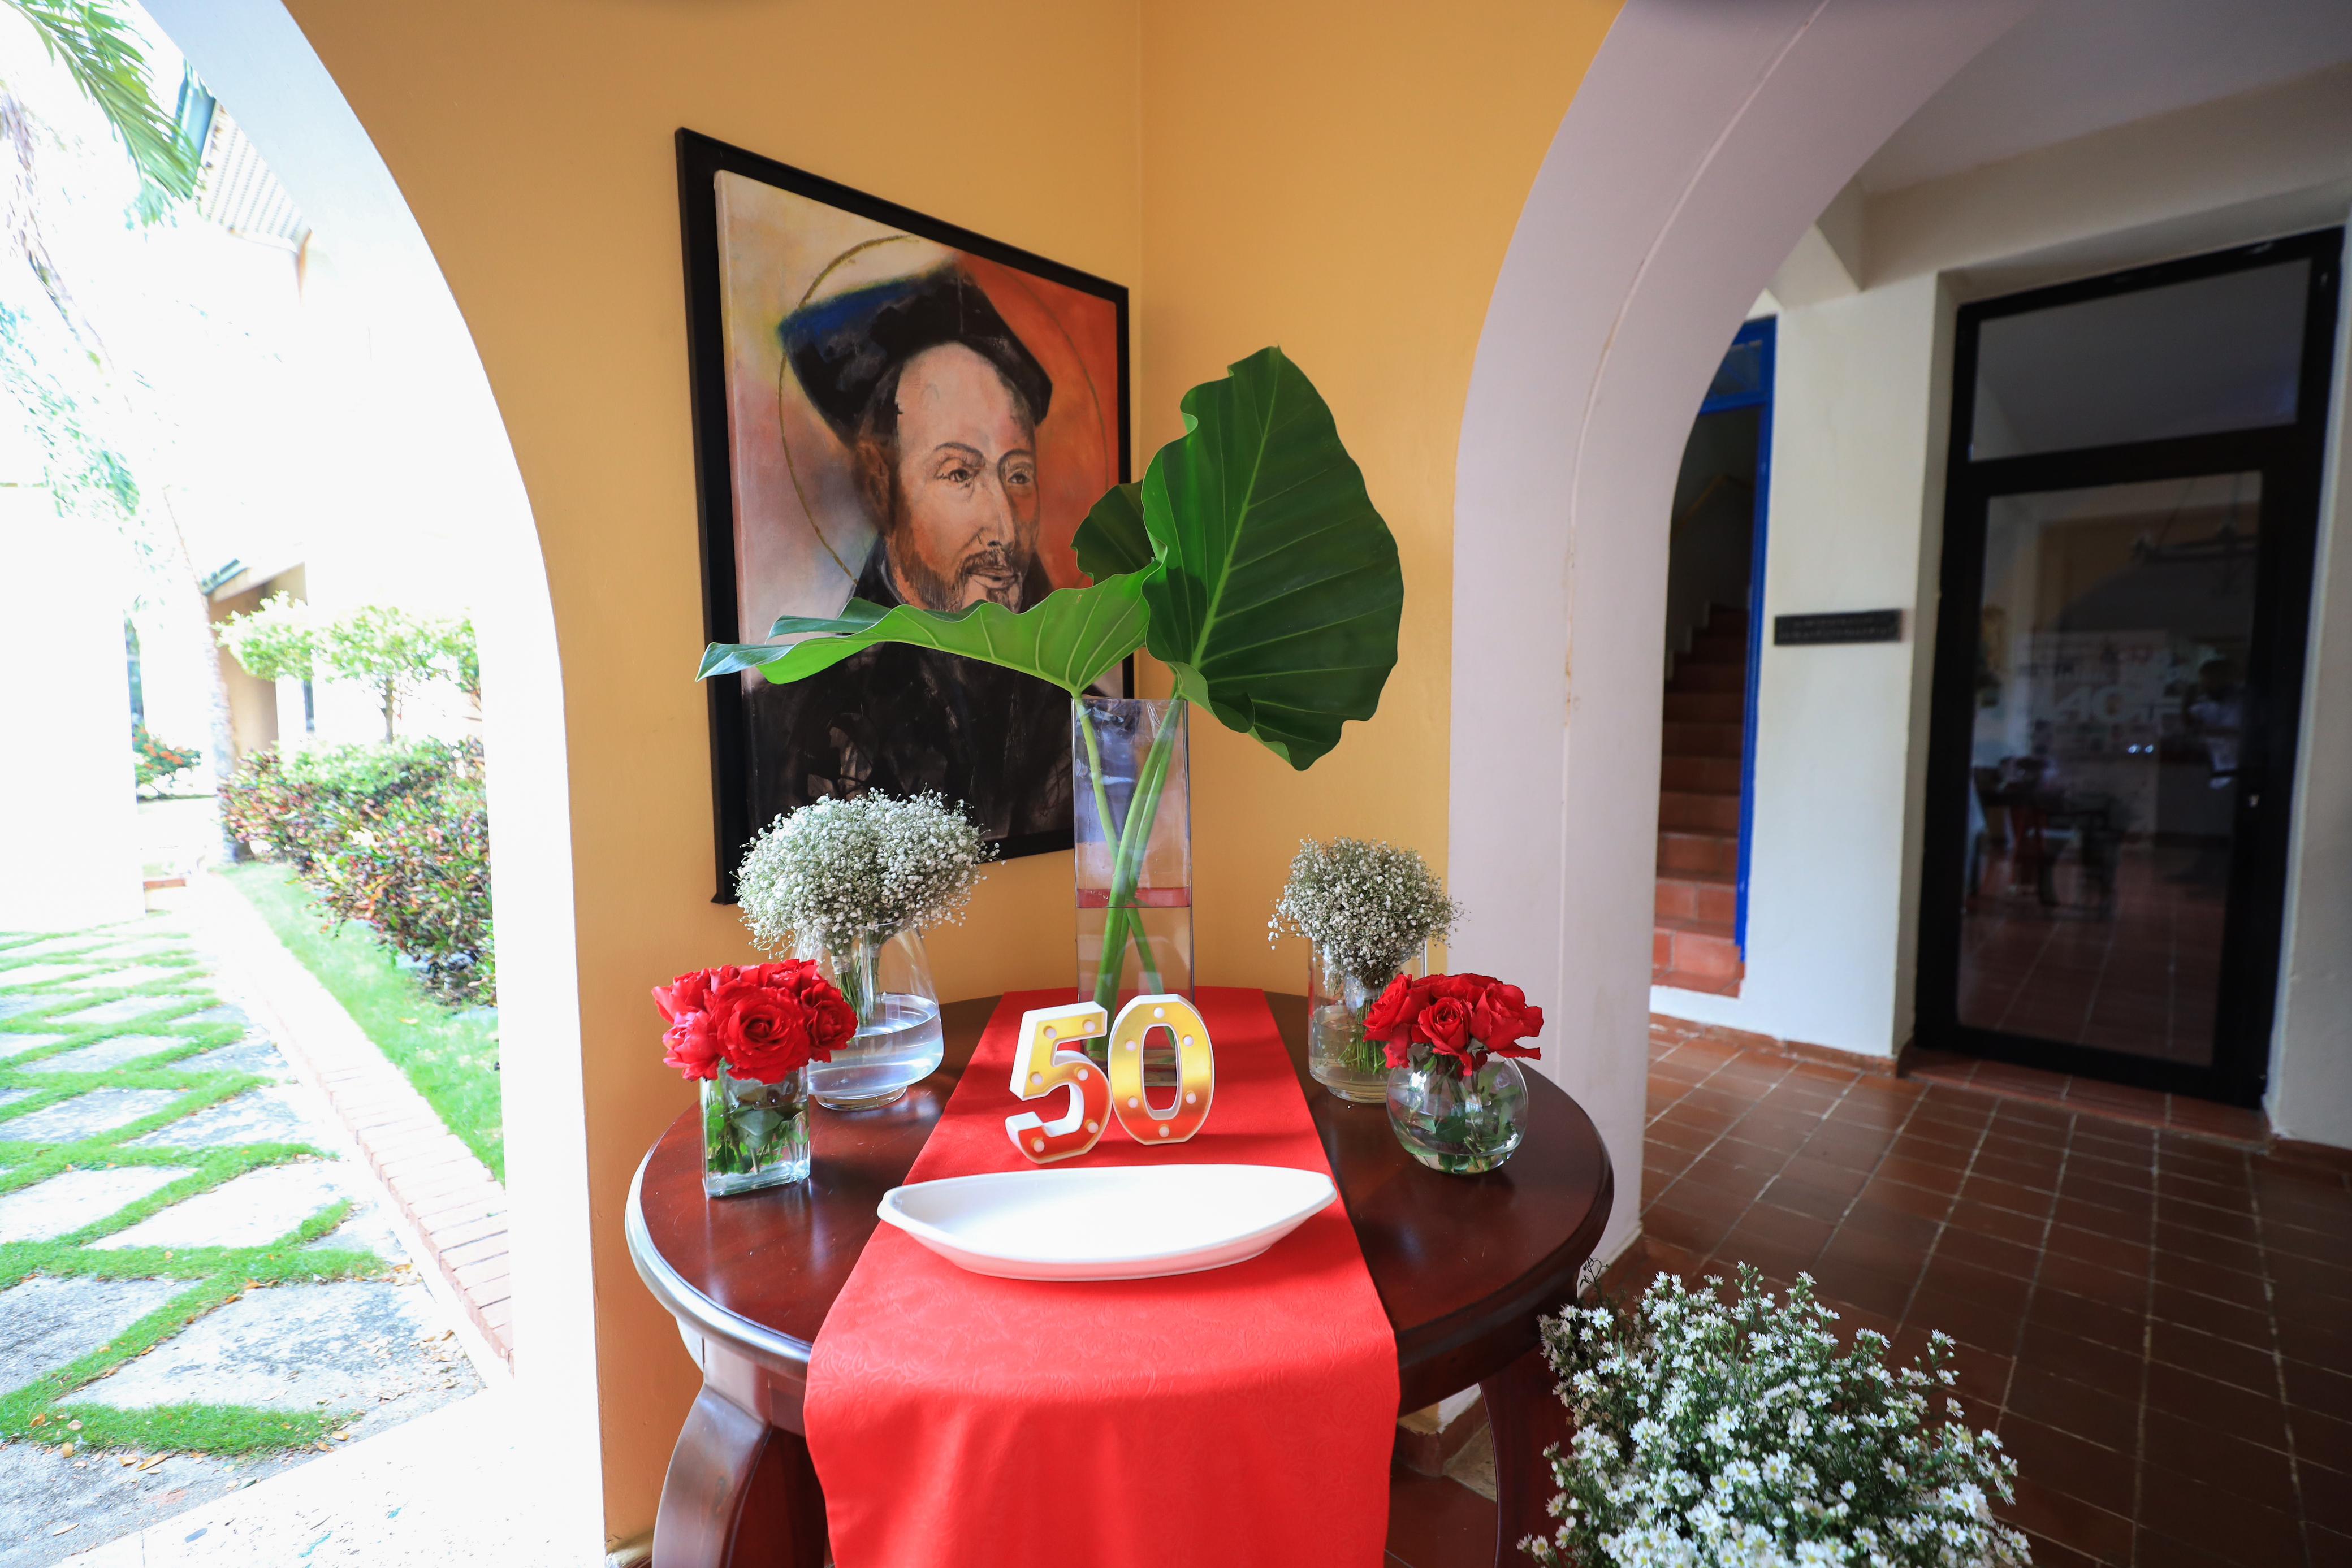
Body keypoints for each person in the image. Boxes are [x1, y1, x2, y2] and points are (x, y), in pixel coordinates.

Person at [743, 266, 1075, 845]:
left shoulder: (1082, 714)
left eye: (1018, 474)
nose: (1003, 526)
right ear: (882, 486)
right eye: (959, 473)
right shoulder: (792, 724)